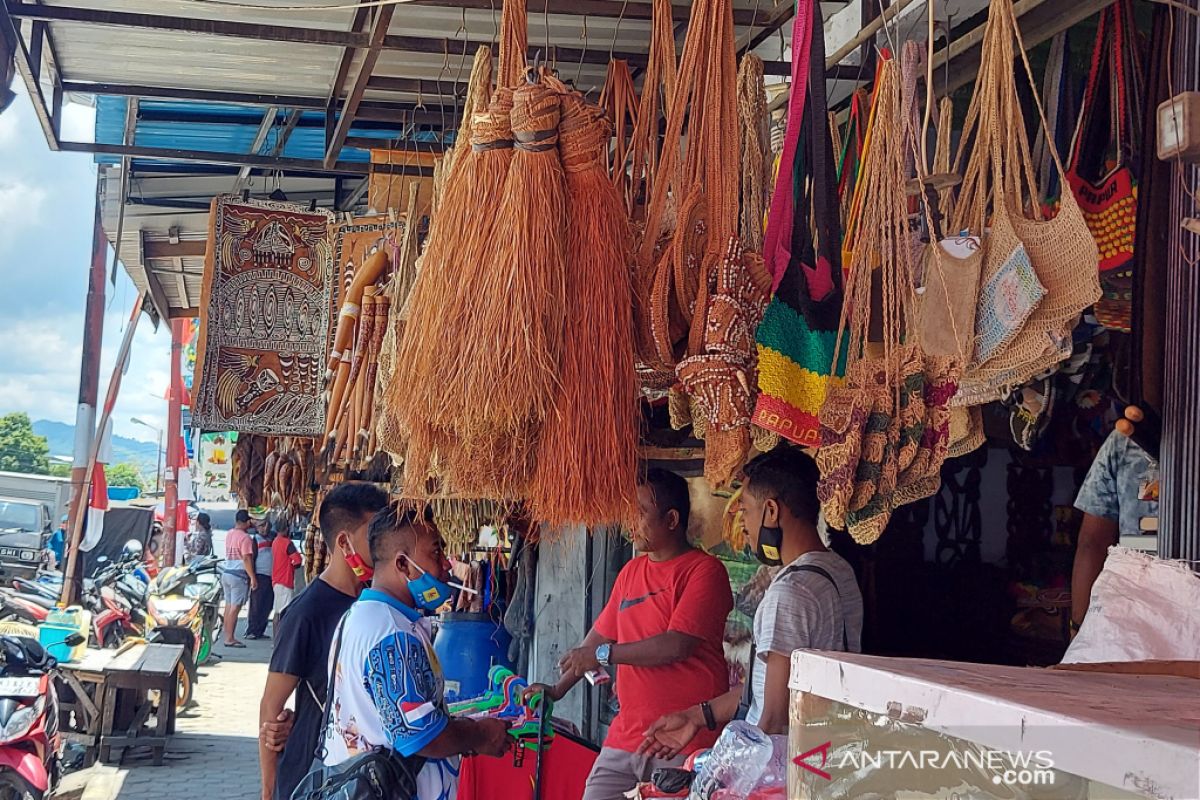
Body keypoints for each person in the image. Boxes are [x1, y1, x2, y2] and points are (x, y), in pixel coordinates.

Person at [639, 447, 863, 759]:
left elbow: (772, 720)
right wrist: (695, 717)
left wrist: (730, 776)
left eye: (745, 511)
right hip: (826, 753)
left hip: (786, 768)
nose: (744, 525)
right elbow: (764, 691)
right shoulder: (840, 572)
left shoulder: (789, 593)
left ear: (771, 511)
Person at [526, 468, 734, 800]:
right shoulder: (631, 571)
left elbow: (676, 645)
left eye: (639, 513)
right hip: (626, 737)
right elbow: (597, 638)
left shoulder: (704, 571)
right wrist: (557, 689)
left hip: (684, 739)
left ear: (671, 519)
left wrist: (603, 656)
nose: (629, 523)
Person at [321, 504, 511, 799]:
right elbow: (419, 737)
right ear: (403, 565)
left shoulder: (358, 617)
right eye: (435, 553)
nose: (446, 566)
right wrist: (482, 734)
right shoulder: (391, 633)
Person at [257, 482, 388, 800]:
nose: (384, 544)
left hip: (367, 774)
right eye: (375, 535)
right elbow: (271, 707)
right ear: (345, 542)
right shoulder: (306, 613)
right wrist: (269, 790)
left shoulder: (376, 602)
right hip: (314, 775)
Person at [1070, 427, 1159, 634]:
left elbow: (1092, 543)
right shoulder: (1124, 441)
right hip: (1131, 616)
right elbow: (1092, 544)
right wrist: (1079, 632)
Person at [221, 510, 257, 649]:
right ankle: (230, 638)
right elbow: (246, 558)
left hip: (227, 571)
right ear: (247, 522)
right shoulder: (245, 538)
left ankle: (227, 635)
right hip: (238, 575)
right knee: (235, 607)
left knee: (229, 605)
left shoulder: (230, 533)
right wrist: (252, 577)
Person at [246, 518, 275, 640]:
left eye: (265, 526)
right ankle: (252, 630)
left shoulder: (273, 538)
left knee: (268, 604)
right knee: (256, 605)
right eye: (260, 526)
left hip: (272, 576)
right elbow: (251, 559)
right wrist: (252, 577)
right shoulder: (255, 540)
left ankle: (260, 629)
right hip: (260, 575)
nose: (263, 529)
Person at [270, 529, 303, 635]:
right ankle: (281, 637)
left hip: (276, 580)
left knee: (277, 611)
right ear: (286, 529)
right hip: (285, 580)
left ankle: (276, 638)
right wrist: (292, 567)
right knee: (284, 612)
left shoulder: (275, 541)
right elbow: (298, 560)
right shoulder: (287, 543)